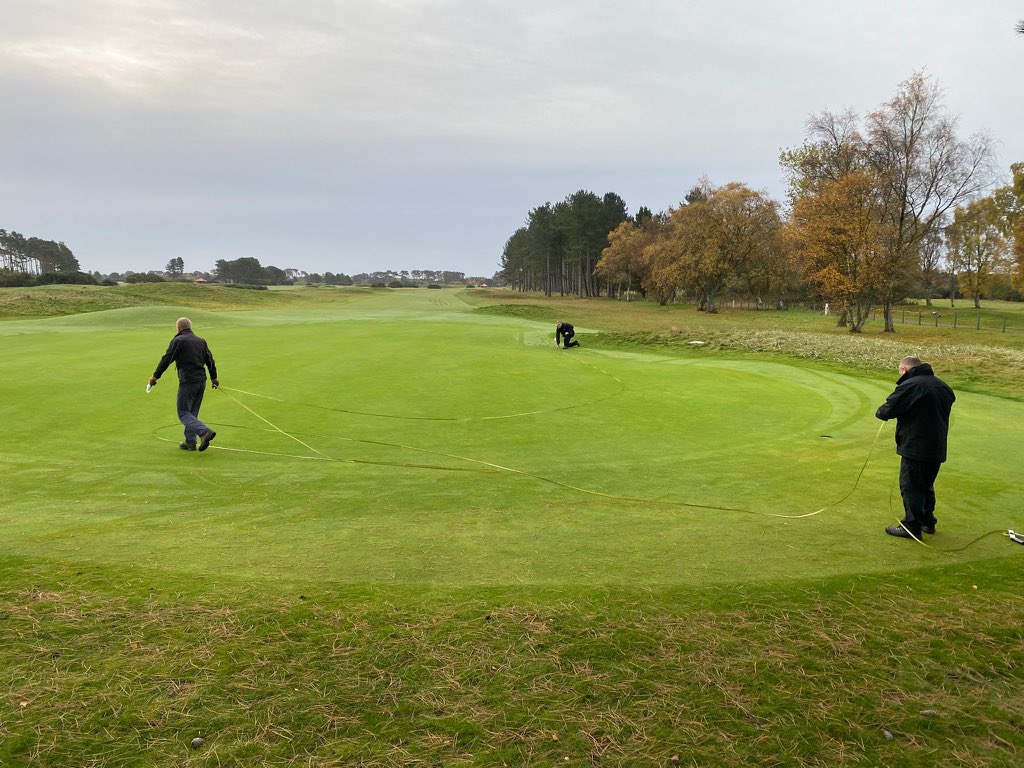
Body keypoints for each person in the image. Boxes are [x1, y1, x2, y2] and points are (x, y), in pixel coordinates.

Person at [874, 356, 955, 539]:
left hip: (916, 444)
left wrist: (881, 413)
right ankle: (927, 521)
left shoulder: (912, 384)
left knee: (911, 485)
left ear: (904, 369)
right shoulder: (942, 385)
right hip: (936, 445)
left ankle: (912, 526)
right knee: (926, 484)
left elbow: (889, 408)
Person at [149, 317, 219, 452]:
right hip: (201, 381)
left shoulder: (178, 340)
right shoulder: (201, 341)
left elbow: (167, 359)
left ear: (178, 328)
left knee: (183, 412)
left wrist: (155, 377)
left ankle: (204, 432)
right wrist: (214, 378)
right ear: (190, 327)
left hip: (188, 381)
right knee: (192, 412)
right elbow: (210, 360)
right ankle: (190, 442)